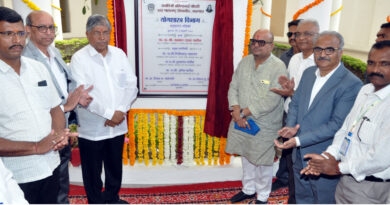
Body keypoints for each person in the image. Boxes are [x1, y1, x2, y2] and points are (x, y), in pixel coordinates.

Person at [274, 31, 363, 203]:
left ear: (341, 52)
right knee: (301, 197)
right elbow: (296, 104)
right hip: (298, 153)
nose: (322, 54)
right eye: (318, 49)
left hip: (324, 156)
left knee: (323, 199)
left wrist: (298, 140)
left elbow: (336, 124)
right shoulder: (309, 73)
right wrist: (291, 128)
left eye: (329, 50)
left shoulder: (351, 84)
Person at [0, 6, 75, 204]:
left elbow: (55, 108)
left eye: (20, 34)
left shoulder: (37, 68)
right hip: (14, 177)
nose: (17, 40)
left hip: (51, 166)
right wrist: (35, 147)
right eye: (8, 34)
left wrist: (58, 136)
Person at [301, 40, 390, 204]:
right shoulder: (365, 90)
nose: (375, 69)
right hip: (345, 180)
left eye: (384, 64)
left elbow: (381, 158)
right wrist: (329, 155)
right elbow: (346, 129)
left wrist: (336, 168)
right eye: (371, 63)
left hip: (371, 187)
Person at [22, 10, 93, 204]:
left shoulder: (54, 52)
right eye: (42, 27)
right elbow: (33, 100)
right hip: (41, 130)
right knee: (47, 181)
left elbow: (66, 81)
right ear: (28, 30)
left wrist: (78, 97)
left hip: (61, 126)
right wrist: (67, 105)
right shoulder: (24, 60)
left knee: (61, 175)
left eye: (51, 27)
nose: (48, 32)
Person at [70, 14, 138, 204]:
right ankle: (95, 201)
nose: (102, 37)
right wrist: (110, 114)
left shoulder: (119, 54)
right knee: (92, 170)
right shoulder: (79, 58)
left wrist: (120, 111)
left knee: (114, 167)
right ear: (87, 34)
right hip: (92, 127)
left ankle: (112, 198)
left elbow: (132, 85)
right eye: (97, 32)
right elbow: (83, 94)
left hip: (117, 124)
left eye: (105, 32)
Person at [226, 29, 287, 204]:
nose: (256, 45)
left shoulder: (278, 67)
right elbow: (233, 86)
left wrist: (242, 113)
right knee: (246, 156)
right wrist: (236, 110)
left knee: (263, 162)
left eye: (262, 42)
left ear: (271, 46)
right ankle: (248, 189)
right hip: (241, 120)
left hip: (264, 124)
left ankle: (262, 196)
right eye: (254, 41)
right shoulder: (245, 62)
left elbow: (272, 99)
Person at [272, 19, 301, 199]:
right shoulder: (286, 57)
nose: (291, 37)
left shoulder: (315, 59)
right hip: (286, 109)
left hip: (303, 114)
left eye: (295, 33)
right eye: (289, 33)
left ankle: (295, 185)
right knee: (285, 147)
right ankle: (283, 178)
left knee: (297, 153)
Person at [271, 19, 319, 112]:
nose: (301, 38)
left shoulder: (320, 64)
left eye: (307, 34)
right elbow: (287, 86)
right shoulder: (294, 58)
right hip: (287, 113)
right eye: (299, 34)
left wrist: (291, 93)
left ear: (317, 37)